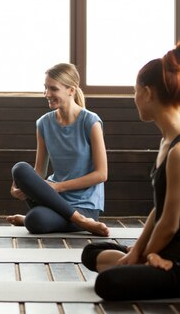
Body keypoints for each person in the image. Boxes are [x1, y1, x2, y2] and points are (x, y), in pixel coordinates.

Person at [81, 45, 180, 300]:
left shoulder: (179, 150)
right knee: (90, 252)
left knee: (108, 282)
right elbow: (159, 209)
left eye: (134, 92)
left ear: (147, 93)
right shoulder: (166, 142)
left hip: (174, 259)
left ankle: (147, 266)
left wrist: (143, 255)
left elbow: (170, 223)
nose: (134, 98)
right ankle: (144, 264)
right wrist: (138, 250)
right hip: (162, 250)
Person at [6, 63, 109, 236]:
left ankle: (80, 220)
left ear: (71, 90)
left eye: (53, 89)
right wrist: (17, 187)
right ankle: (76, 221)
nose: (47, 94)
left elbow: (101, 174)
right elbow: (39, 171)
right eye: (45, 88)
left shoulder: (90, 122)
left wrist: (58, 187)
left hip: (85, 207)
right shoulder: (43, 123)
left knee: (34, 220)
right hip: (52, 199)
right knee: (20, 169)